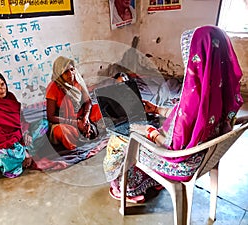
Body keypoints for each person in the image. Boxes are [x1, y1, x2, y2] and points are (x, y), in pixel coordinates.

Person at [103, 25, 244, 203]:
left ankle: (127, 187)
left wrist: (149, 131)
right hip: (204, 154)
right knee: (147, 126)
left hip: (180, 164)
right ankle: (148, 181)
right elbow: (187, 116)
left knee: (118, 139)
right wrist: (156, 109)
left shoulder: (194, 95)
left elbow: (171, 145)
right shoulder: (221, 92)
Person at [46, 56, 101, 150]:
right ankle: (83, 136)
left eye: (72, 70)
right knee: (61, 131)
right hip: (65, 120)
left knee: (99, 110)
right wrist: (75, 123)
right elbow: (50, 117)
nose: (70, 74)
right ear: (59, 74)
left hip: (81, 117)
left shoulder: (78, 81)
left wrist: (85, 118)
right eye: (66, 72)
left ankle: (87, 130)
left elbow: (88, 102)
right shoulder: (53, 87)